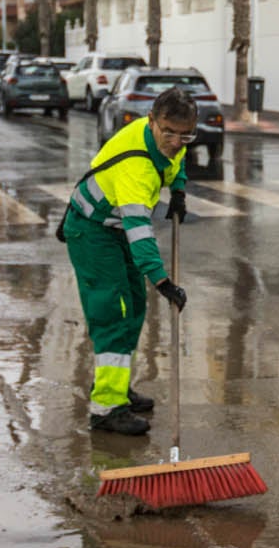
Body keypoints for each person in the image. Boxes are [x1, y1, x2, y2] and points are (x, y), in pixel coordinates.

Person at [60, 86, 194, 437]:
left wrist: (178, 189)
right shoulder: (137, 165)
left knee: (134, 306)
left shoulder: (170, 140)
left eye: (185, 135)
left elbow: (175, 161)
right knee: (113, 312)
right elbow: (139, 230)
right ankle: (106, 408)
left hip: (114, 227)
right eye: (169, 132)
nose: (177, 141)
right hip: (92, 231)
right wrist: (162, 281)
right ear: (152, 122)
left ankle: (119, 388)